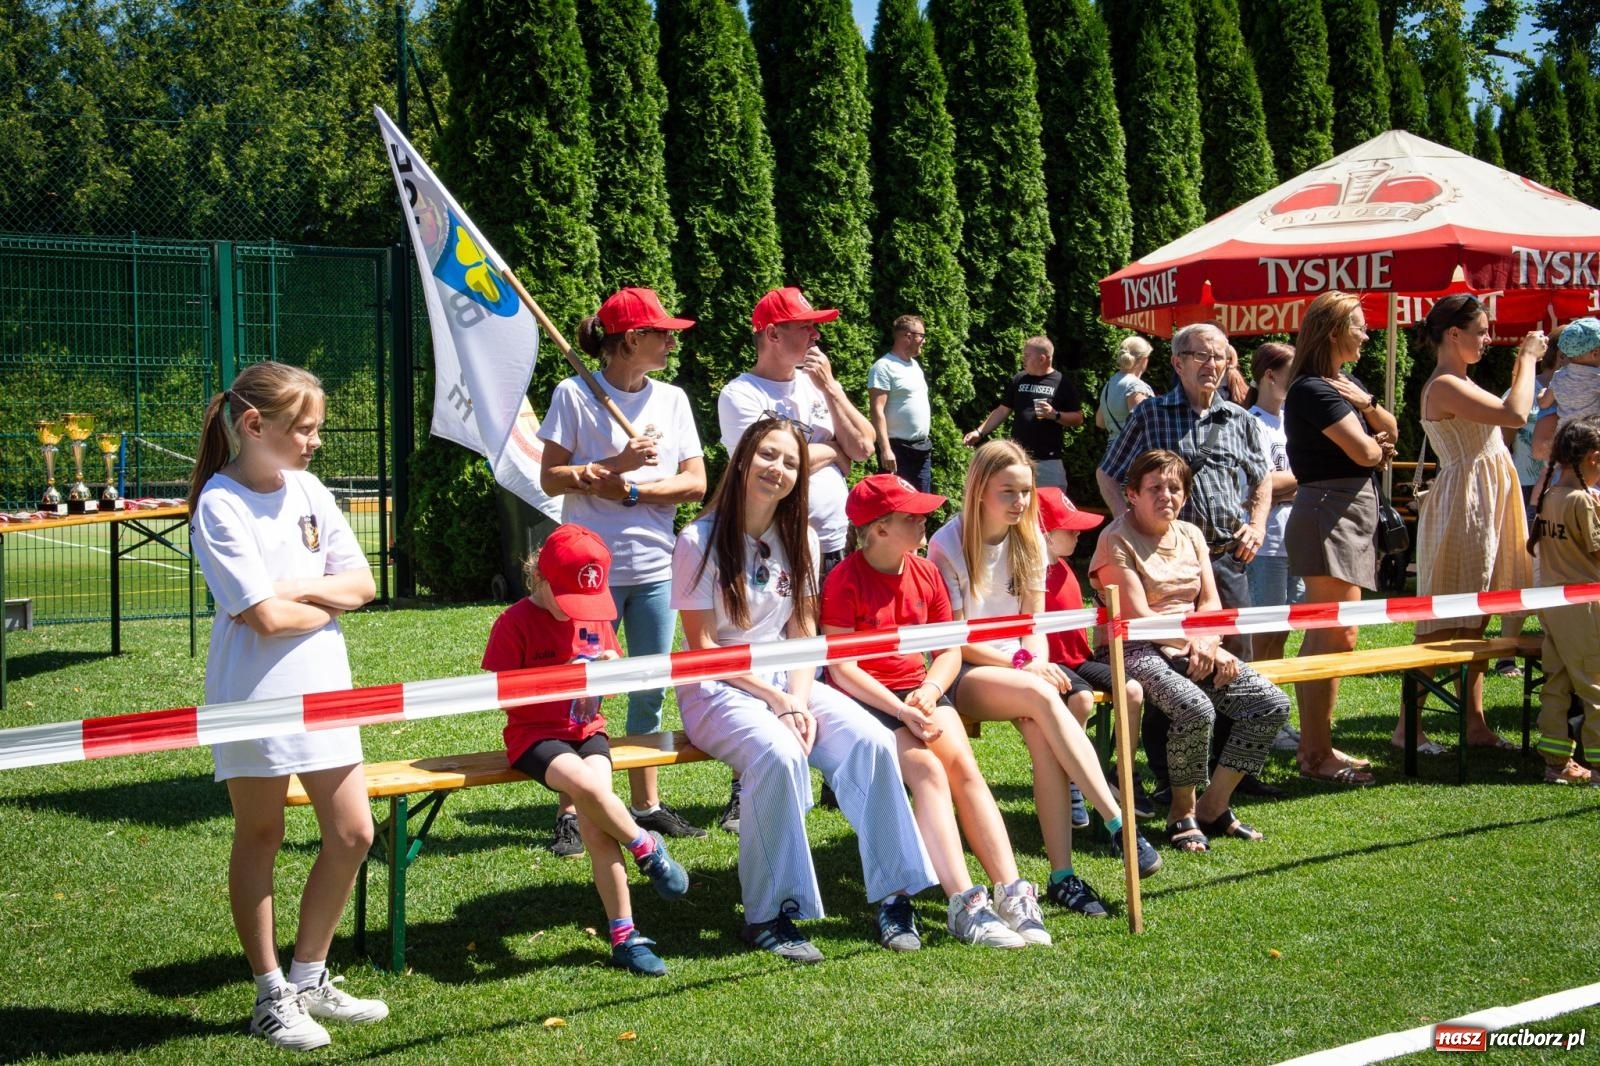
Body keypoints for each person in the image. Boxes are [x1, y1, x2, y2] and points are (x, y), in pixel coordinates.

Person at [672, 416, 936, 963]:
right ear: (744, 459)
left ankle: (894, 895)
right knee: (779, 752)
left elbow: (803, 631)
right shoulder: (696, 540)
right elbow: (701, 650)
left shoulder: (805, 538)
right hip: (717, 687)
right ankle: (769, 914)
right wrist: (780, 702)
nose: (780, 469)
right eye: (769, 456)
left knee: (871, 742)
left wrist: (795, 693)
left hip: (789, 679)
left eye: (791, 461)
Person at [188, 361, 386, 1051]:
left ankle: (308, 977)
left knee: (354, 834)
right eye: (304, 429)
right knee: (262, 836)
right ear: (254, 426)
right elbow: (263, 620)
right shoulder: (219, 504)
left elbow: (361, 584)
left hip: (326, 689)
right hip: (254, 699)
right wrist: (314, 597)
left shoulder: (309, 490)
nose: (314, 442)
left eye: (316, 429)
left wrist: (293, 590)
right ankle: (270, 994)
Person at [929, 441, 1160, 920]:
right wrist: (1022, 663)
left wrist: (1031, 659)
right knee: (1039, 693)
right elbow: (957, 638)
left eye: (1026, 492)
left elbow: (1034, 625)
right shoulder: (945, 544)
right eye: (1007, 491)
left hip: (1019, 667)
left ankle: (1062, 876)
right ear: (978, 491)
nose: (1019, 502)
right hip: (965, 670)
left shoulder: (1030, 536)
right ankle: (1118, 820)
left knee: (1041, 729)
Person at [821, 474, 1044, 949]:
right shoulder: (843, 579)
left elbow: (950, 649)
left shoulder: (926, 572)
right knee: (927, 771)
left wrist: (929, 687)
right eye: (911, 516)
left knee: (963, 765)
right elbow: (841, 668)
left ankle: (1012, 892)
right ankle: (965, 903)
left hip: (919, 691)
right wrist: (901, 709)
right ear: (878, 529)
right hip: (869, 701)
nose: (924, 520)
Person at [537, 287, 708, 852]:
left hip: (655, 566)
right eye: (661, 332)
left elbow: (696, 483)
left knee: (647, 686)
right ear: (631, 339)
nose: (670, 340)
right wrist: (614, 465)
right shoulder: (574, 394)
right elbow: (551, 478)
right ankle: (570, 808)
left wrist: (631, 489)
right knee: (580, 688)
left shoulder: (673, 401)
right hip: (589, 573)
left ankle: (646, 803)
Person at [481, 525, 691, 975]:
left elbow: (608, 684)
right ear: (539, 577)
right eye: (567, 599)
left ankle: (625, 935)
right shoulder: (512, 623)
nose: (577, 613)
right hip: (535, 737)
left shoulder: (593, 616)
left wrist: (611, 673)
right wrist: (557, 680)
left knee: (597, 828)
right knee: (582, 785)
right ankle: (646, 847)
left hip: (587, 729)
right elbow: (503, 697)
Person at [717, 286, 877, 832]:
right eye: (804, 327)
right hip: (767, 546)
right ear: (771, 334)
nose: (814, 335)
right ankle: (749, 784)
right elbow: (767, 467)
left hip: (829, 543)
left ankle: (826, 767)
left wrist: (830, 387)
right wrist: (826, 451)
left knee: (817, 656)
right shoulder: (740, 394)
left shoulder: (815, 385)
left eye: (814, 327)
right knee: (761, 656)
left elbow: (864, 446)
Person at [1095, 322, 1276, 801]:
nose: (1212, 365)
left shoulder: (1239, 418)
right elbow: (1110, 472)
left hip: (1225, 558)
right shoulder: (1152, 414)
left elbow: (1262, 478)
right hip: (1159, 566)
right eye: (1201, 356)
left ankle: (1232, 774)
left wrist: (1256, 525)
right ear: (1177, 363)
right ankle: (1168, 779)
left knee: (1232, 662)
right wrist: (1130, 526)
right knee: (1167, 671)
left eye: (1220, 357)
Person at [1089, 450, 1291, 855]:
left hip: (1195, 644)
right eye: (1155, 488)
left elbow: (1210, 603)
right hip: (1134, 647)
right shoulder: (1115, 539)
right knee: (1195, 708)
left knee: (1270, 704)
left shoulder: (1192, 535)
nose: (1166, 495)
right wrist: (1196, 645)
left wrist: (1208, 643)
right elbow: (1139, 616)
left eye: (1175, 488)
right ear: (1131, 494)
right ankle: (1182, 812)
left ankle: (1215, 806)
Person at [1406, 294, 1545, 753]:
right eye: (1482, 331)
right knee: (1443, 621)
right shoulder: (1444, 384)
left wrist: (1524, 370)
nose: (1488, 339)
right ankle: (1408, 726)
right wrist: (1525, 358)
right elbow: (1516, 414)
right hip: (1465, 504)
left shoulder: (1460, 380)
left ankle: (1476, 723)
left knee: (1475, 620)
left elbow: (1513, 409)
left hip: (1483, 500)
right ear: (1454, 334)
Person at [1282, 293, 1396, 786]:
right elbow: (1368, 450)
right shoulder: (1312, 389)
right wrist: (1374, 443)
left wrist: (1368, 405)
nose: (1367, 335)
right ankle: (1316, 753)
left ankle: (1316, 747)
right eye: (1360, 327)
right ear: (1333, 332)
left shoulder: (1343, 385)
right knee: (1334, 634)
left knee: (1337, 634)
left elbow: (1390, 430)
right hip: (1328, 512)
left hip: (1346, 511)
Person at [1036, 486, 1153, 821]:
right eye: (1069, 529)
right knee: (1082, 700)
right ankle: (1070, 776)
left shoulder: (1065, 567)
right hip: (1051, 663)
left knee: (1132, 689)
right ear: (1044, 533)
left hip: (1079, 658)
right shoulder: (1029, 572)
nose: (1077, 534)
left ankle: (1123, 772)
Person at [1527, 416, 1600, 785]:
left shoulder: (1550, 496)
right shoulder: (1582, 503)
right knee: (1594, 684)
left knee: (1556, 683)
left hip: (1552, 605)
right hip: (1584, 609)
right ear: (1593, 458)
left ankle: (1556, 763)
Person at [1243, 342, 1302, 664]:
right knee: (1262, 632)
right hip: (1266, 543)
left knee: (1283, 631)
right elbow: (1260, 484)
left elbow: (1277, 483)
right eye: (1293, 373)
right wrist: (1307, 474)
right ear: (1270, 375)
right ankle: (1253, 705)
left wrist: (1283, 485)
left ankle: (1272, 704)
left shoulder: (1292, 421)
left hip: (1295, 537)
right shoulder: (1251, 422)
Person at [963, 336, 1083, 492]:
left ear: (1042, 358)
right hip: (1018, 459)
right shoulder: (1019, 379)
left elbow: (1078, 418)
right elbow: (1002, 410)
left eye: (1027, 355)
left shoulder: (1061, 383)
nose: (1022, 359)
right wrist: (979, 432)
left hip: (1047, 461)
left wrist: (1055, 415)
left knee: (1050, 511)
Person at [868, 315, 935, 493]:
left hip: (922, 449)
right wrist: (886, 450)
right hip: (897, 452)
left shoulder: (915, 366)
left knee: (922, 505)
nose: (924, 341)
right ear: (908, 336)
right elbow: (876, 411)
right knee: (897, 507)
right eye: (922, 335)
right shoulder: (883, 367)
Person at [1095, 335, 1153, 459]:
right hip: (1133, 452)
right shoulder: (1136, 386)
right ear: (1143, 359)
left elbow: (1099, 422)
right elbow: (1143, 424)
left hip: (1111, 451)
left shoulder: (1109, 384)